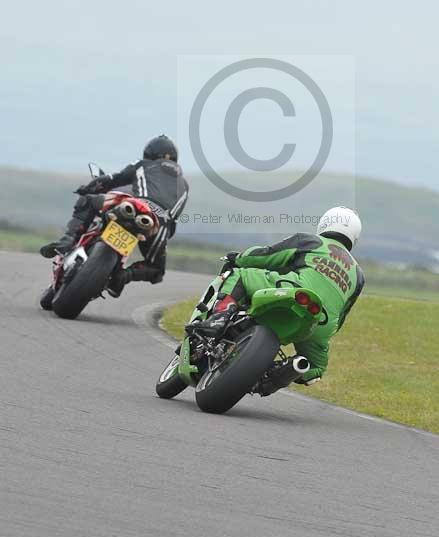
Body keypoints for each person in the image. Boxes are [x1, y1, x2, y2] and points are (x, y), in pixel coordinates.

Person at [190, 206, 365, 385]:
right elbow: (341, 318)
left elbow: (267, 255)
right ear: (354, 236)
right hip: (321, 321)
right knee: (315, 368)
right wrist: (323, 333)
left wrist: (239, 258)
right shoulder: (359, 275)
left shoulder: (311, 241)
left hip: (294, 292)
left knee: (240, 275)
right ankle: (281, 373)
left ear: (325, 223)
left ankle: (220, 317)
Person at [40, 135, 188, 296]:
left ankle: (68, 240)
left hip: (134, 207)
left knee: (88, 201)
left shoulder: (144, 165)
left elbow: (112, 179)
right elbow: (173, 222)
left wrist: (87, 189)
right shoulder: (185, 185)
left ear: (150, 154)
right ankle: (122, 276)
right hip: (157, 224)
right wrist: (162, 235)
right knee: (156, 270)